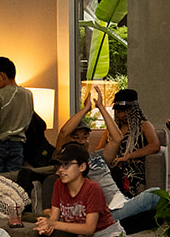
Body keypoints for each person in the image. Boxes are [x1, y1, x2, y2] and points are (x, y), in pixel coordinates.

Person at [58, 89, 161, 227]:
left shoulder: (97, 157)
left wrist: (100, 107)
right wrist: (86, 109)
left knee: (154, 218)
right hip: (110, 210)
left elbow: (117, 139)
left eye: (85, 137)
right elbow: (64, 132)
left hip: (123, 202)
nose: (82, 141)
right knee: (155, 195)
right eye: (76, 138)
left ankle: (124, 225)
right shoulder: (67, 163)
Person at [89, 87, 161, 200]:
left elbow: (155, 146)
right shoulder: (112, 129)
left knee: (121, 177)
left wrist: (127, 157)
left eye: (124, 111)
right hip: (112, 166)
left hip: (133, 168)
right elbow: (100, 149)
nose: (121, 115)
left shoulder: (144, 126)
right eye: (118, 111)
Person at [0, 57, 34, 175]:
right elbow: (28, 120)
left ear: (2, 75)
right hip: (18, 146)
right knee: (14, 184)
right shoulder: (28, 95)